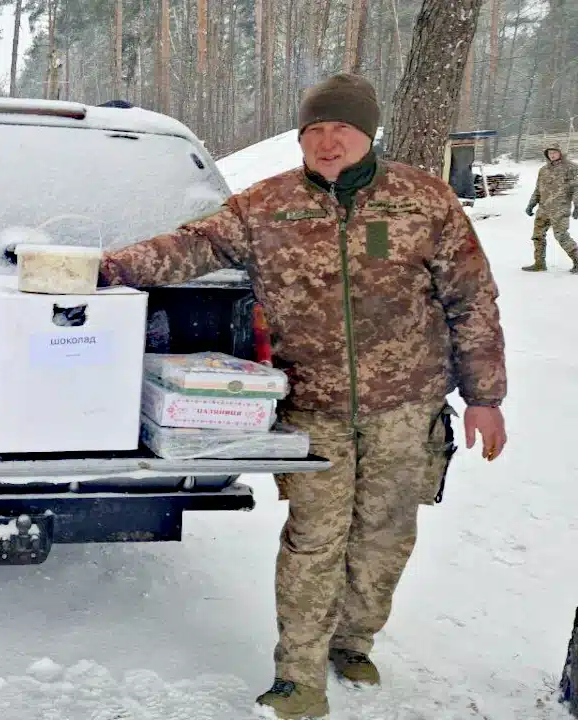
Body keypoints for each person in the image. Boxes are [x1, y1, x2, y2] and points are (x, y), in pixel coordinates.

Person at [100, 73, 508, 719]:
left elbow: (472, 299)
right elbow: (193, 245)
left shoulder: (423, 201)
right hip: (313, 408)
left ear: (367, 133)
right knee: (314, 541)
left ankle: (353, 640)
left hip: (408, 409)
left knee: (385, 537)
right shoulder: (267, 205)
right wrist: (105, 268)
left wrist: (485, 395)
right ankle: (298, 677)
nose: (326, 140)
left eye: (340, 127)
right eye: (314, 129)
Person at [523, 146, 578, 273]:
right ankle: (539, 263)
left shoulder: (571, 168)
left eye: (555, 152)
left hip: (560, 208)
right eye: (549, 153)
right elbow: (538, 189)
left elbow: (576, 188)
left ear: (561, 153)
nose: (552, 155)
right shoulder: (543, 170)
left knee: (561, 236)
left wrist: (577, 205)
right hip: (543, 208)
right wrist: (531, 204)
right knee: (537, 236)